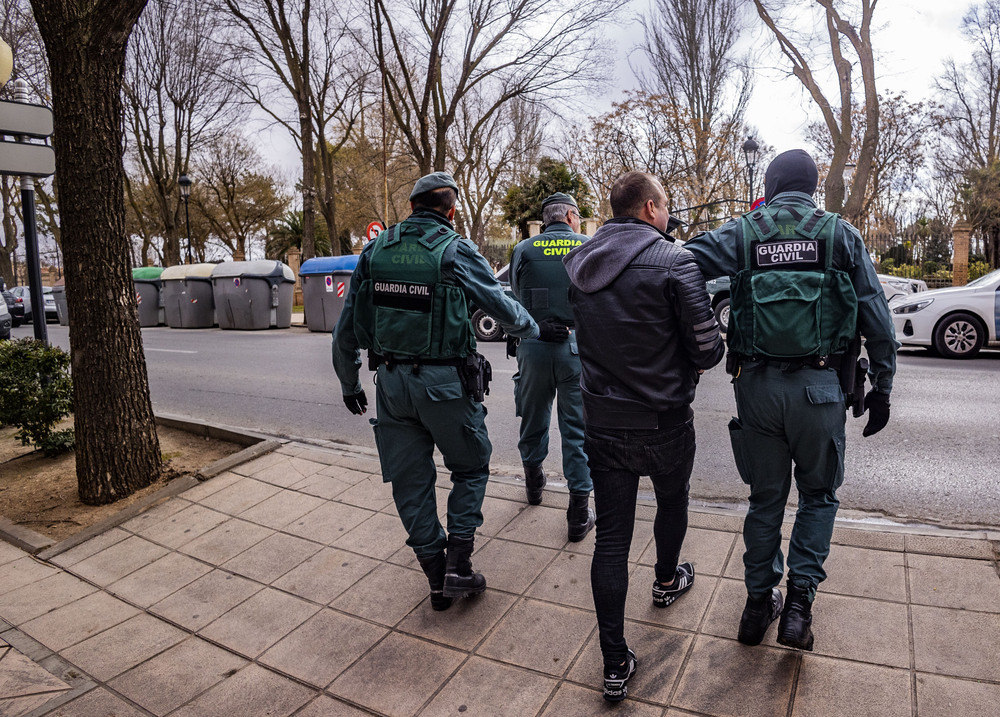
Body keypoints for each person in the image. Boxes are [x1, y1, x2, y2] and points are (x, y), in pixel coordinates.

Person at [684, 149, 898, 652]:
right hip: (820, 389)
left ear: (770, 184)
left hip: (755, 388)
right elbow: (878, 320)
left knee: (765, 499)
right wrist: (883, 386)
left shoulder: (743, 232)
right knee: (818, 496)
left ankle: (757, 606)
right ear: (813, 188)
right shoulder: (839, 235)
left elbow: (682, 262)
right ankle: (798, 609)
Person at [332, 171, 564, 612]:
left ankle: (436, 577)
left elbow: (346, 327)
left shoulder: (376, 250)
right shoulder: (454, 249)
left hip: (391, 385)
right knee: (471, 468)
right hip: (444, 385)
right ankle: (458, 562)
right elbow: (500, 304)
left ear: (414, 206)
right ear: (451, 210)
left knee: (410, 481)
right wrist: (533, 329)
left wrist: (349, 382)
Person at [563, 171, 724, 702]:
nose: (668, 215)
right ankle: (665, 579)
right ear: (652, 207)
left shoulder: (580, 261)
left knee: (610, 538)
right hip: (664, 420)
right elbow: (707, 350)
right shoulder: (675, 261)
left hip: (604, 421)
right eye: (666, 207)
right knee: (672, 499)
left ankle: (614, 662)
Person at [509, 192, 594, 541]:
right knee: (577, 430)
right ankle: (577, 513)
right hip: (576, 348)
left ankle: (533, 484)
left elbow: (514, 295)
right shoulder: (587, 245)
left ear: (546, 220)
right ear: (572, 216)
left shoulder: (524, 249)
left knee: (533, 418)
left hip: (533, 345)